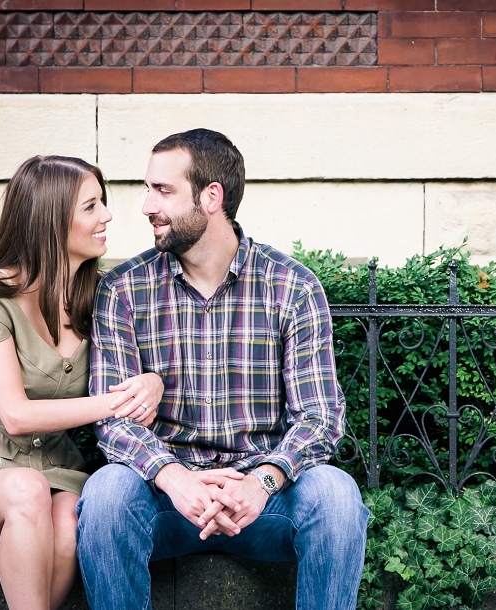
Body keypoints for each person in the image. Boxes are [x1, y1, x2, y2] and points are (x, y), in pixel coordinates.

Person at [76, 128, 369, 610]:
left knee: (336, 496)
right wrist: (174, 477)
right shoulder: (124, 289)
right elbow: (113, 421)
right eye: (147, 189)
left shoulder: (290, 287)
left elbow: (320, 417)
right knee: (107, 494)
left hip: (263, 502)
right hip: (166, 500)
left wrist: (265, 480)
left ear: (212, 197)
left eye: (162, 190)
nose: (147, 205)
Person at [0, 155, 164, 610]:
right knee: (27, 491)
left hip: (53, 470)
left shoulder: (97, 295)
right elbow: (16, 416)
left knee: (66, 519)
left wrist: (153, 381)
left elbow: (142, 367)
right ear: (50, 219)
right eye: (91, 206)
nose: (108, 216)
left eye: (103, 203)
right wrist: (118, 402)